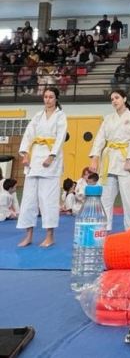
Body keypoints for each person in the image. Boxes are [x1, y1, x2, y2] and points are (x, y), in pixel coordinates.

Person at [17, 87, 67, 247]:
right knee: (29, 199)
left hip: (50, 160)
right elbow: (28, 135)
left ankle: (49, 236)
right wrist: (25, 154)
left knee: (48, 199)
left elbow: (60, 138)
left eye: (51, 97)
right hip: (35, 158)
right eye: (45, 97)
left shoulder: (61, 117)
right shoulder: (38, 116)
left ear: (56, 99)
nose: (47, 100)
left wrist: (51, 156)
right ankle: (29, 235)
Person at [89, 90, 130, 231]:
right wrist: (95, 157)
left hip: (126, 160)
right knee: (105, 198)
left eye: (117, 98)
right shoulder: (108, 119)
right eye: (112, 99)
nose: (114, 101)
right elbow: (100, 138)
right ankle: (102, 229)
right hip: (109, 160)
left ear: (124, 99)